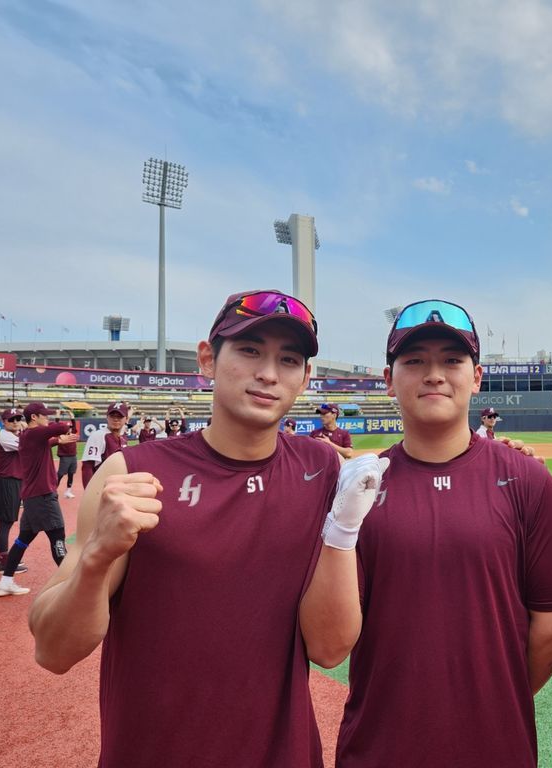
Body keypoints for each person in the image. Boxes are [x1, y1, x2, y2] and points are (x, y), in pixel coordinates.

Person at [28, 289, 387, 767]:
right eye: (249, 350)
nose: (268, 373)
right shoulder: (129, 475)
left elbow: (330, 649)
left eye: (289, 359)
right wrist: (96, 558)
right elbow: (53, 651)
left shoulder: (321, 469)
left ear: (304, 378)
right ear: (207, 359)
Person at [336, 299, 552, 768]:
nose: (434, 374)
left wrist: (493, 694)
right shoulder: (358, 490)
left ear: (477, 376)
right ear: (389, 381)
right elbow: (333, 638)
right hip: (379, 744)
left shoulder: (526, 479)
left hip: (496, 744)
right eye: (414, 361)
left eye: (451, 360)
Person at [0, 402, 79, 597]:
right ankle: (73, 587)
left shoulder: (29, 437)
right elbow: (62, 427)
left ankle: (5, 582)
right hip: (42, 496)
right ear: (34, 417)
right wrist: (64, 422)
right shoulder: (34, 433)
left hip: (33, 497)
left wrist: (58, 440)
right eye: (44, 415)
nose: (47, 417)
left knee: (23, 540)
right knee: (57, 537)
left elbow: (47, 442)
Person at [0, 408, 28, 573]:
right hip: (7, 482)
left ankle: (3, 559)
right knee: (5, 523)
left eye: (18, 419)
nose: (15, 422)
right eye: (11, 419)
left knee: (9, 521)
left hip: (15, 482)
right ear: (3, 422)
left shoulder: (15, 435)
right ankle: (3, 561)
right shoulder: (4, 436)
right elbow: (28, 447)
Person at [81, 402, 130, 488]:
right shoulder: (98, 435)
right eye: (112, 416)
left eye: (119, 416)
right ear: (107, 417)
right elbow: (87, 467)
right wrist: (89, 495)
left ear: (126, 419)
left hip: (120, 486)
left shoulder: (123, 437)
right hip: (103, 488)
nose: (116, 419)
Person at [56, 417, 79, 499]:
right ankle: (53, 490)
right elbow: (56, 424)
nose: (69, 429)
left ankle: (68, 491)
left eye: (70, 427)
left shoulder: (73, 433)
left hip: (73, 456)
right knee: (60, 474)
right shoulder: (61, 435)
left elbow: (74, 424)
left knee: (71, 474)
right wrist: (58, 416)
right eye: (67, 428)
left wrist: (72, 417)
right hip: (65, 457)